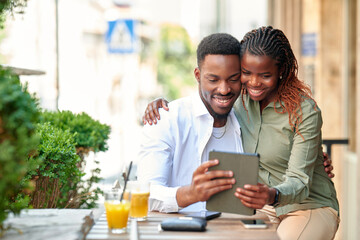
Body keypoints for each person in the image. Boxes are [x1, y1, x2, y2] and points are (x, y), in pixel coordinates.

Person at [142, 26, 339, 240]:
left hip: (307, 204)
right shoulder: (239, 102)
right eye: (247, 73)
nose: (253, 82)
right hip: (259, 207)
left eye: (264, 75)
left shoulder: (303, 111)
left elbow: (300, 179)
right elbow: (209, 97)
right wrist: (161, 106)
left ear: (280, 70)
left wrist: (314, 160)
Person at [138, 33, 244, 213]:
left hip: (233, 230)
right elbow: (145, 194)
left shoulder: (246, 119)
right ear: (197, 75)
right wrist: (190, 194)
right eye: (213, 80)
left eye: (233, 79)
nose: (224, 89)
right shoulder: (166, 120)